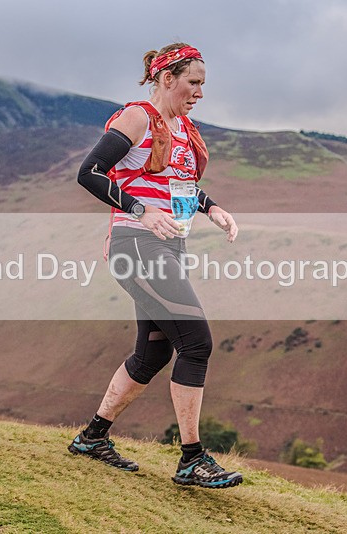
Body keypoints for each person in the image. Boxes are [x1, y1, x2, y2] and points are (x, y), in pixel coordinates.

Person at [71, 43, 242, 489]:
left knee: (154, 353)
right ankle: (192, 459)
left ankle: (93, 437)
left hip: (168, 246)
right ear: (167, 78)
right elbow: (89, 172)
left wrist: (212, 208)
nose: (200, 92)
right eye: (194, 82)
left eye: (203, 84)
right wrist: (141, 211)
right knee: (197, 344)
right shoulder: (137, 118)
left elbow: (178, 183)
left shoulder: (182, 128)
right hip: (136, 243)